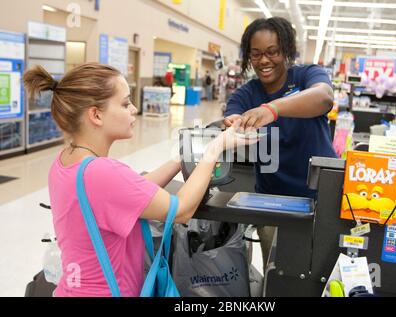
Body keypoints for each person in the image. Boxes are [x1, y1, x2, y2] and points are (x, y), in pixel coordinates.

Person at [23, 63, 252, 297]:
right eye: (125, 103)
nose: (134, 109)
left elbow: (135, 193)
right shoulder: (102, 173)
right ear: (96, 114)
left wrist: (185, 155)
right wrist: (215, 149)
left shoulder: (66, 162)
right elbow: (182, 210)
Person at [224, 17, 337, 272]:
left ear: (285, 50)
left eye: (272, 52)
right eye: (256, 54)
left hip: (320, 202)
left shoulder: (307, 75)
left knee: (319, 275)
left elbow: (323, 97)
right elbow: (232, 116)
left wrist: (272, 110)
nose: (264, 60)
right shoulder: (247, 93)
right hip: (271, 204)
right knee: (277, 275)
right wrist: (232, 124)